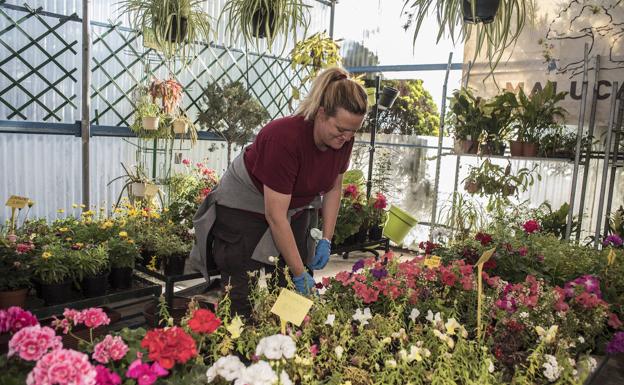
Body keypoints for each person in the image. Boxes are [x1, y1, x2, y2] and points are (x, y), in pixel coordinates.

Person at [189, 67, 368, 317]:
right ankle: (235, 344)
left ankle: (287, 346)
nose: (347, 137)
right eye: (340, 129)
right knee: (242, 289)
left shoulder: (342, 140)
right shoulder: (284, 138)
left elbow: (334, 188)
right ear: (321, 114)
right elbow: (275, 216)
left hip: (293, 207)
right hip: (243, 207)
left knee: (290, 294)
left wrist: (326, 240)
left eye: (353, 131)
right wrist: (298, 273)